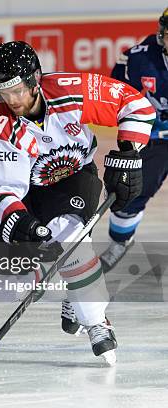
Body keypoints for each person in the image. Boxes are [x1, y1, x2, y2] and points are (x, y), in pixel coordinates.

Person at [0, 41, 154, 364]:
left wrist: (129, 154)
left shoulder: (69, 91)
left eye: (16, 90)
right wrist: (23, 224)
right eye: (2, 92)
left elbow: (137, 106)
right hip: (29, 193)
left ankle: (97, 321)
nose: (11, 100)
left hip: (74, 177)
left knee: (70, 238)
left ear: (34, 80)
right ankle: (67, 277)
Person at [100, 7, 168, 272]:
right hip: (155, 139)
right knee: (131, 192)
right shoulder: (137, 59)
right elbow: (113, 97)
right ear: (162, 34)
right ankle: (120, 242)